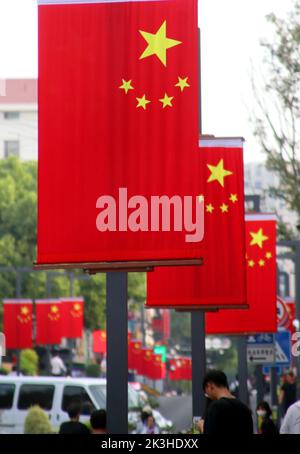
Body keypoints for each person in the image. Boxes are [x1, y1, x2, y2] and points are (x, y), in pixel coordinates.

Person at [199, 370, 253, 435]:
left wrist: (202, 427)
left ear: (210, 385)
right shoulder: (244, 408)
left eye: (206, 392)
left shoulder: (215, 407)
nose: (207, 395)